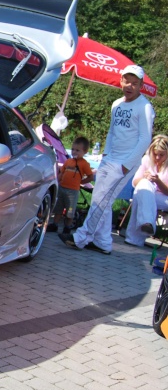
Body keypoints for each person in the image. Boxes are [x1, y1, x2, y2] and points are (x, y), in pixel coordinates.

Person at [61, 64, 156, 254]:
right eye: (126, 81)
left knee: (102, 201)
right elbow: (112, 131)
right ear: (121, 81)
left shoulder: (145, 107)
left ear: (141, 85)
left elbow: (145, 138)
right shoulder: (117, 104)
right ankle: (103, 241)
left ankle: (81, 237)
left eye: (134, 83)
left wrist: (126, 164)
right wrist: (105, 154)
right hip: (110, 158)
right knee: (99, 198)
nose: (129, 86)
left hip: (124, 163)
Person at [123, 135, 168, 247]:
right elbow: (135, 182)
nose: (157, 157)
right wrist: (145, 178)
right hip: (147, 193)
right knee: (143, 186)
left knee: (141, 197)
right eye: (155, 154)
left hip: (164, 198)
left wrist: (158, 181)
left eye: (161, 155)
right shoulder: (146, 159)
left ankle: (134, 238)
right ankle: (147, 223)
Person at [48, 136, 93, 234]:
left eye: (78, 150)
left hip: (73, 191)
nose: (74, 152)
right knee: (58, 209)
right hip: (62, 188)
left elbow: (90, 176)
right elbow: (62, 173)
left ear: (84, 152)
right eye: (73, 149)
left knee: (70, 211)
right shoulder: (68, 161)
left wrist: (82, 182)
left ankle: (67, 227)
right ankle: (55, 225)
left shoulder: (84, 164)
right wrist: (57, 181)